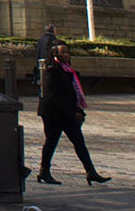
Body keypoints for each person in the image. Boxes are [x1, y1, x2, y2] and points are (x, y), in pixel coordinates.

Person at [36, 43, 111, 186]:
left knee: (79, 143)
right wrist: (73, 112)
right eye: (62, 52)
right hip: (53, 114)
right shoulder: (51, 71)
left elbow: (72, 94)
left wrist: (78, 111)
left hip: (67, 114)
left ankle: (91, 172)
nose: (66, 55)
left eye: (67, 52)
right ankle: (44, 171)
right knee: (51, 142)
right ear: (55, 54)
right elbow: (53, 96)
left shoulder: (68, 71)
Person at [34, 23, 58, 94]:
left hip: (40, 64)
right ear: (53, 30)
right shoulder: (52, 39)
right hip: (49, 64)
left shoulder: (41, 39)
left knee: (42, 83)